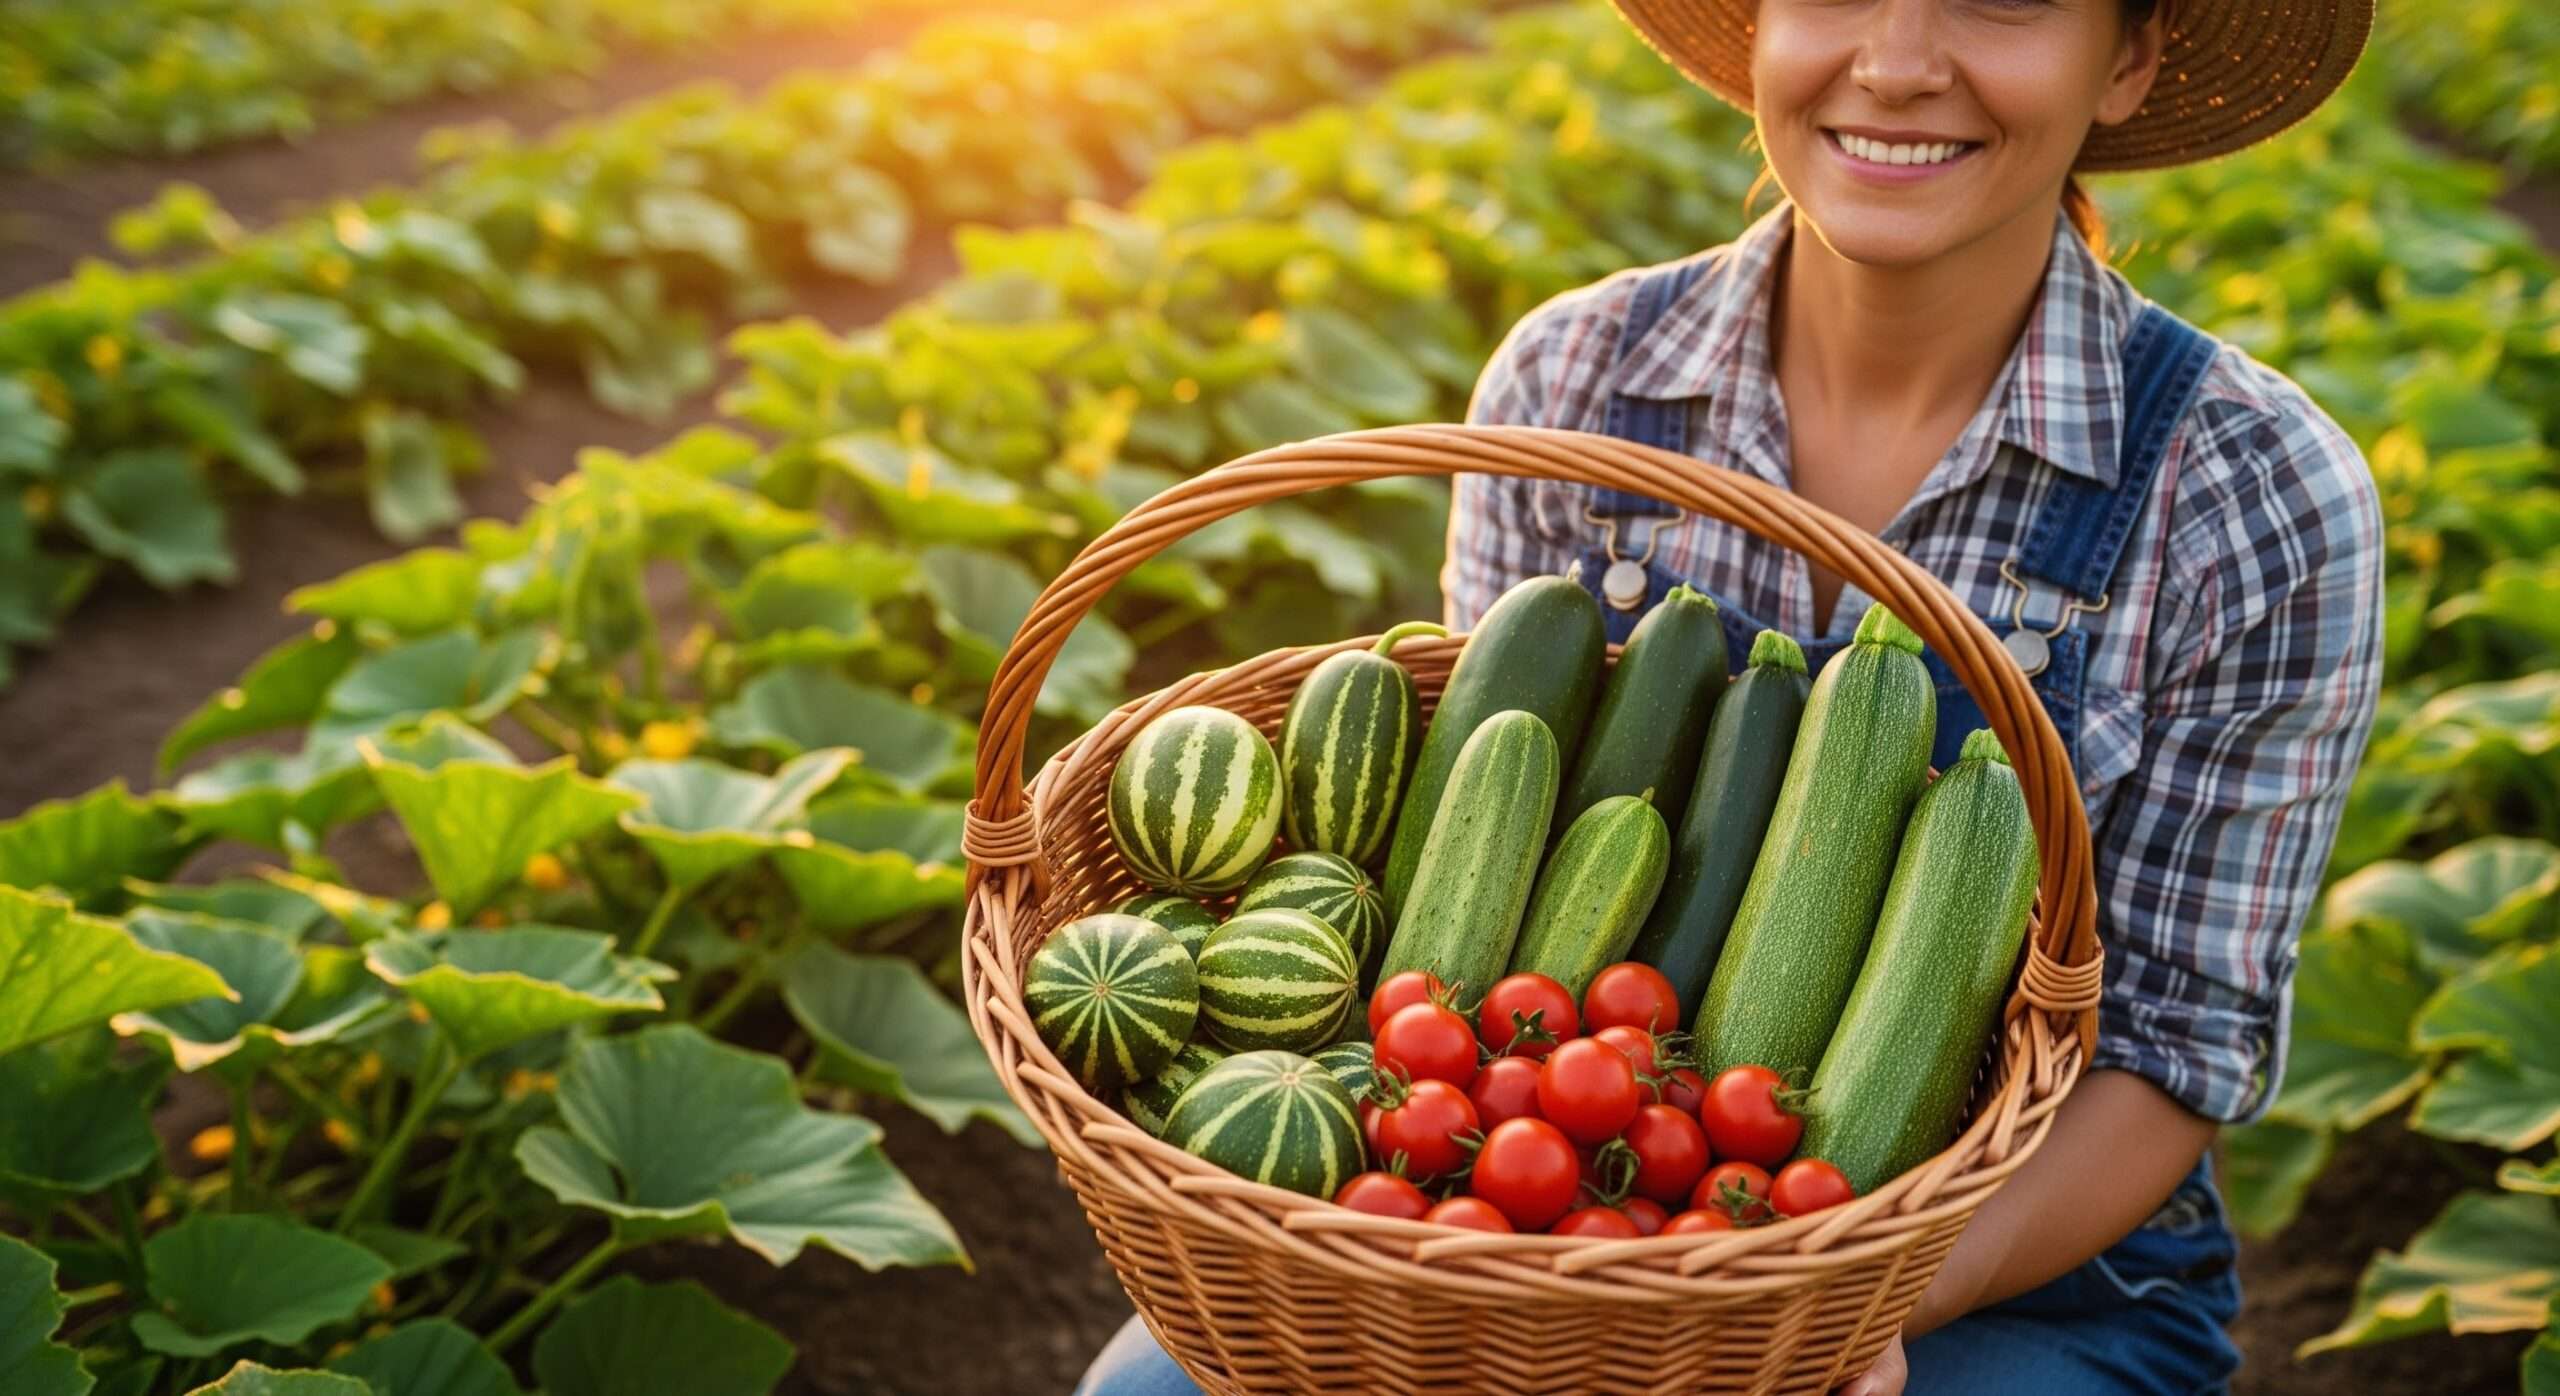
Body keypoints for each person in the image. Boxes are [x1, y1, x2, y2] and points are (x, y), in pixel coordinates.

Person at [1077, 0, 2382, 1387]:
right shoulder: (1570, 383)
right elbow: (1476, 870)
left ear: (2127, 59)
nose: (1894, 62)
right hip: (1531, 1199)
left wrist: (1841, 1313)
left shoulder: (2256, 496)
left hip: (2016, 1264)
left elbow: (2177, 1048)